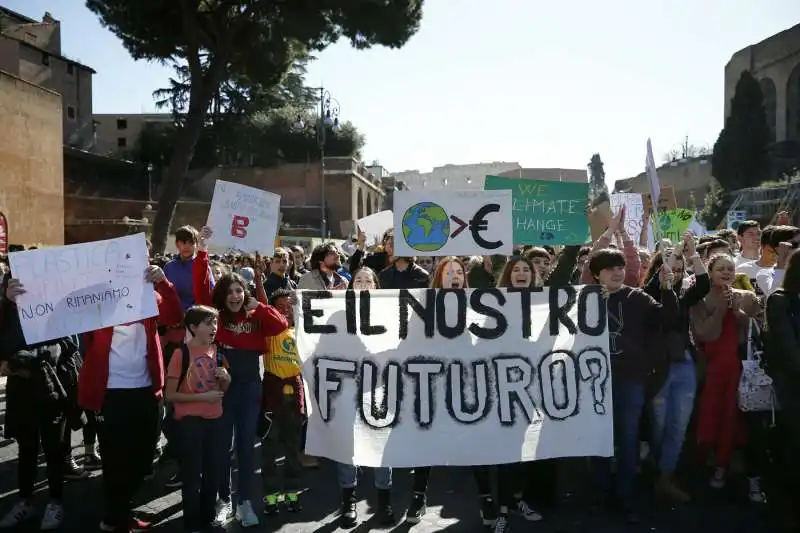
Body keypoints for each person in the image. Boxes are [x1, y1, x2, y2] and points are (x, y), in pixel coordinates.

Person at [192, 226, 288, 528]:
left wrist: (258, 305)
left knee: (246, 447)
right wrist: (203, 249)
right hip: (221, 390)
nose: (235, 295)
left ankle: (245, 502)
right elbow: (199, 288)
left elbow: (280, 325)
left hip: (250, 389)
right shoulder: (215, 320)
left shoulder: (255, 315)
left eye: (239, 291)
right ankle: (224, 501)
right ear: (222, 296)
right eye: (230, 291)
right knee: (222, 448)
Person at [78, 264, 183, 533]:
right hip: (110, 391)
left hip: (145, 389)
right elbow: (53, 315)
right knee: (115, 459)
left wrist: (164, 283)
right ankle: (116, 517)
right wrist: (17, 301)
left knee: (143, 455)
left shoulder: (148, 296)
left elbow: (173, 315)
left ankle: (121, 511)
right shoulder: (95, 301)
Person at [0, 275, 84, 530]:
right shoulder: (6, 310)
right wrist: (7, 304)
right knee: (26, 448)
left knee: (54, 448)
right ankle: (25, 501)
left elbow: (70, 344)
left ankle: (55, 502)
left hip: (51, 389)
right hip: (21, 390)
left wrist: (28, 360)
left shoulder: (57, 307)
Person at [336, 267, 396, 527]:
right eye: (357, 280)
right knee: (348, 446)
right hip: (348, 387)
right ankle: (348, 500)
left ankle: (385, 501)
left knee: (381, 445)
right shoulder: (338, 314)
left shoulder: (390, 314)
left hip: (380, 387)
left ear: (376, 286)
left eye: (367, 280)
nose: (362, 284)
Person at [165, 305, 231, 533]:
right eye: (207, 323)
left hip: (215, 420)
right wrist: (204, 397)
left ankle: (208, 517)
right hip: (190, 422)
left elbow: (223, 388)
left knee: (213, 471)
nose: (213, 327)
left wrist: (226, 378)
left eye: (215, 323)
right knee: (192, 476)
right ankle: (191, 523)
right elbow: (170, 394)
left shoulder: (218, 352)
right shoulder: (180, 354)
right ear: (193, 327)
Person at [260, 289, 305, 517]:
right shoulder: (269, 331)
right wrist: (259, 280)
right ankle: (270, 495)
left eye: (289, 306)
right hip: (272, 395)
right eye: (280, 307)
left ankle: (292, 492)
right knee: (269, 448)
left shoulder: (304, 331)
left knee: (292, 449)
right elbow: (262, 304)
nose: (285, 310)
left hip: (294, 396)